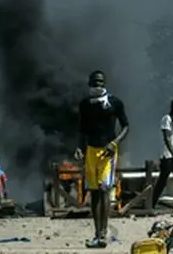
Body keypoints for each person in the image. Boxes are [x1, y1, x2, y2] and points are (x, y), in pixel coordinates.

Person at [74, 70, 129, 249]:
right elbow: (82, 129)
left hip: (108, 152)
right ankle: (97, 234)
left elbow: (126, 126)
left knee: (105, 189)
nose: (98, 85)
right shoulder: (85, 105)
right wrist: (79, 147)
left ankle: (103, 234)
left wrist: (114, 144)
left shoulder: (114, 103)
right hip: (91, 150)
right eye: (95, 82)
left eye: (101, 82)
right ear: (90, 84)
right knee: (94, 191)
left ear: (105, 83)